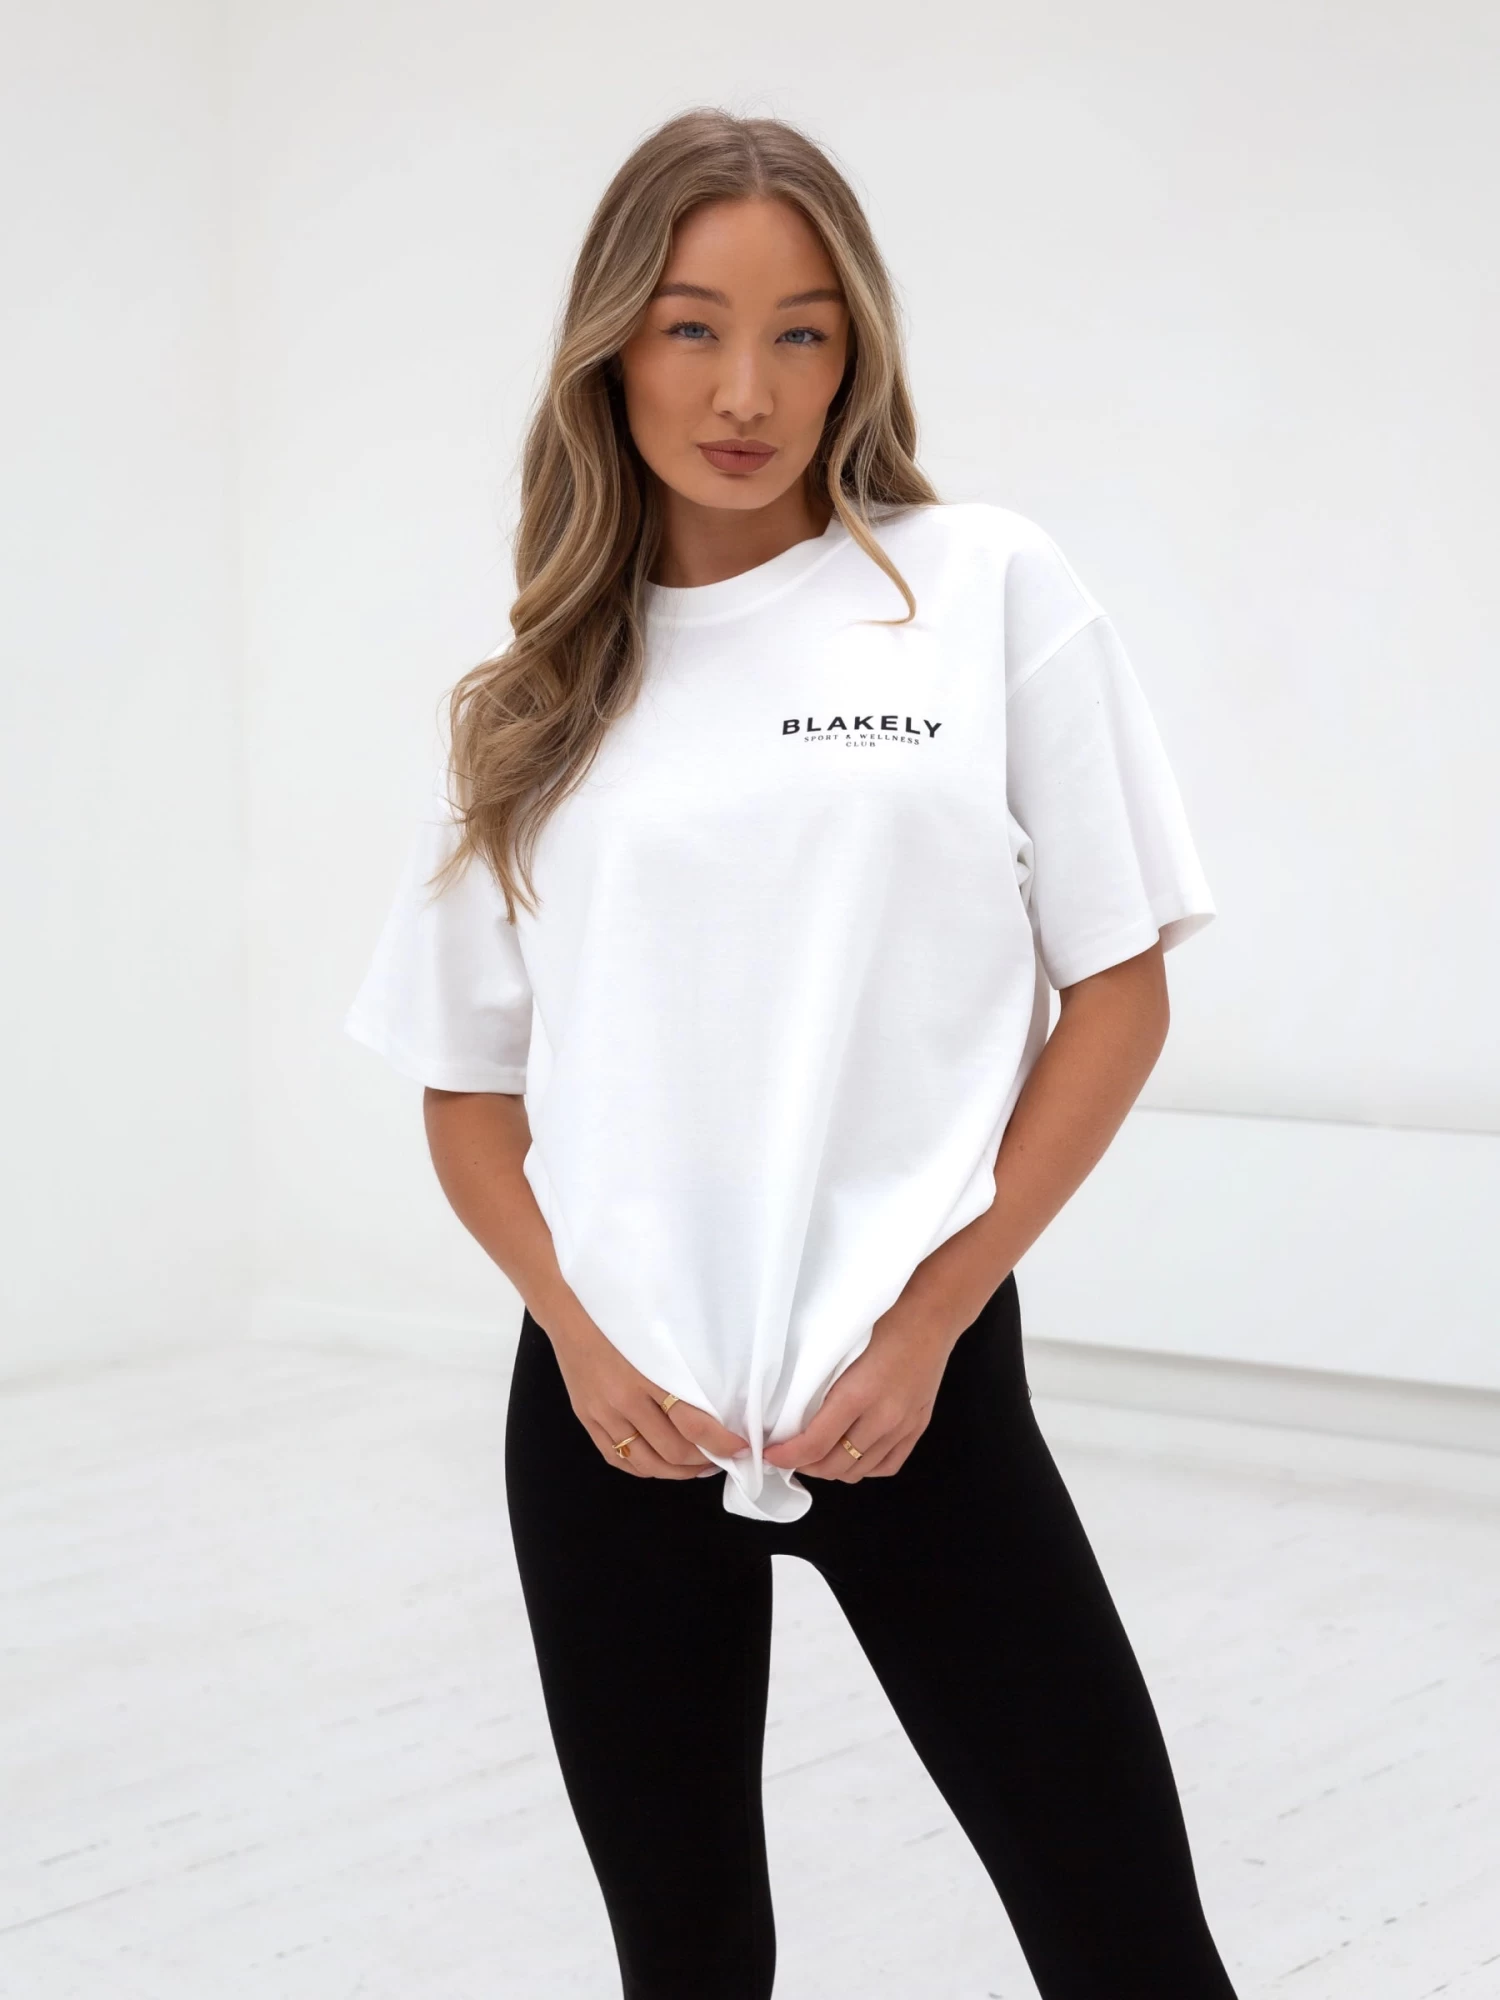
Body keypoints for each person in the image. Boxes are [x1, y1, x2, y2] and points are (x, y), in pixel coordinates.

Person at [344, 106, 1239, 2000]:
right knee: (687, 1964)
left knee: (1131, 1947)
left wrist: (930, 1323)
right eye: (691, 327)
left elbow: (1120, 989)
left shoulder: (977, 587)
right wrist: (582, 1343)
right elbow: (466, 1087)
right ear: (612, 346)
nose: (745, 390)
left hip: (914, 1389)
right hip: (614, 1421)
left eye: (801, 332)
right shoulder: (536, 699)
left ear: (857, 356)